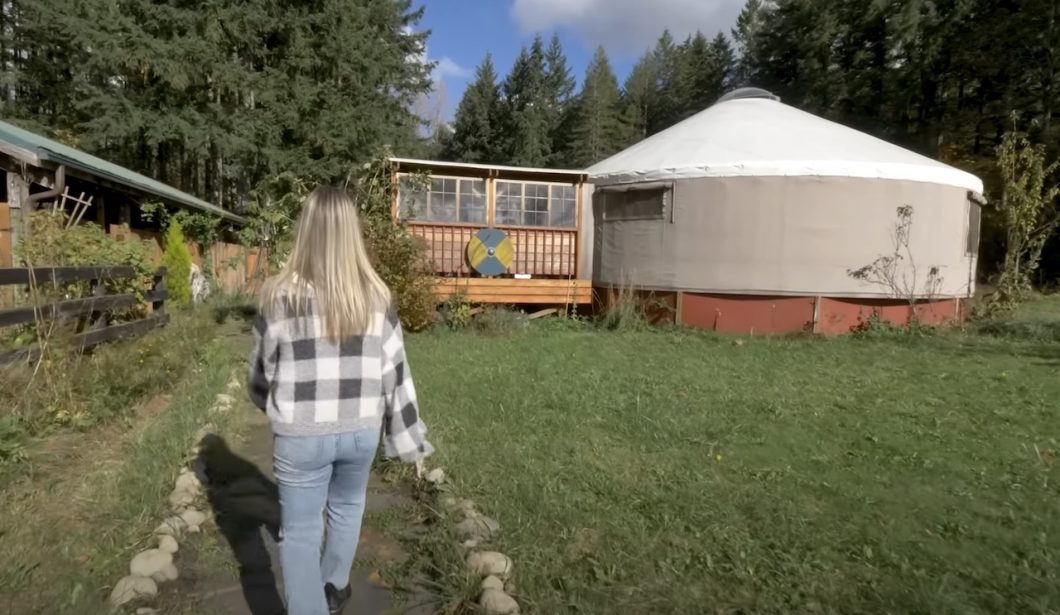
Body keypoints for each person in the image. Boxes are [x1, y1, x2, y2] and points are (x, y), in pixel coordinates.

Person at [247, 185, 433, 615]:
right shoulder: (376, 295)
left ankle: (313, 604)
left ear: (305, 230)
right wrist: (403, 432)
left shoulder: (278, 295)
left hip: (301, 435)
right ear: (352, 233)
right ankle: (333, 590)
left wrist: (265, 403)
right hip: (361, 430)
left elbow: (260, 373)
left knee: (300, 533)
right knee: (348, 508)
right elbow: (396, 371)